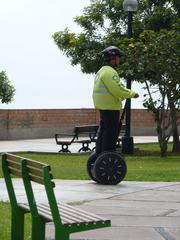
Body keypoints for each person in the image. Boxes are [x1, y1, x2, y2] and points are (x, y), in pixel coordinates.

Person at [93, 46, 139, 155]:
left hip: (104, 106)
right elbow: (117, 90)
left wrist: (128, 93)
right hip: (110, 107)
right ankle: (108, 154)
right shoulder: (110, 73)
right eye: (118, 57)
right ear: (113, 58)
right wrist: (132, 94)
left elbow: (120, 88)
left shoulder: (101, 71)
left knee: (103, 132)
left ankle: (99, 154)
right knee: (110, 133)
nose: (119, 60)